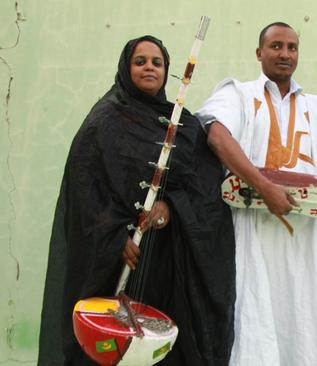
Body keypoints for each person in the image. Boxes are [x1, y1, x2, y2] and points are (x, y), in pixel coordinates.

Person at [195, 22, 317, 366]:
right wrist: (264, 187)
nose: (285, 54)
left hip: (307, 238)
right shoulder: (238, 95)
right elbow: (217, 137)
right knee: (254, 320)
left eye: (292, 47)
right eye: (276, 46)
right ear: (259, 53)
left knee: (306, 325)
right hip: (252, 234)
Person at [38, 35, 236, 366]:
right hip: (116, 263)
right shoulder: (103, 122)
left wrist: (170, 207)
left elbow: (205, 186)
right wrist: (116, 237)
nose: (149, 68)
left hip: (170, 262)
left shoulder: (183, 125)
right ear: (126, 67)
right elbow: (85, 191)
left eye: (156, 63)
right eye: (140, 61)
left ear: (166, 70)